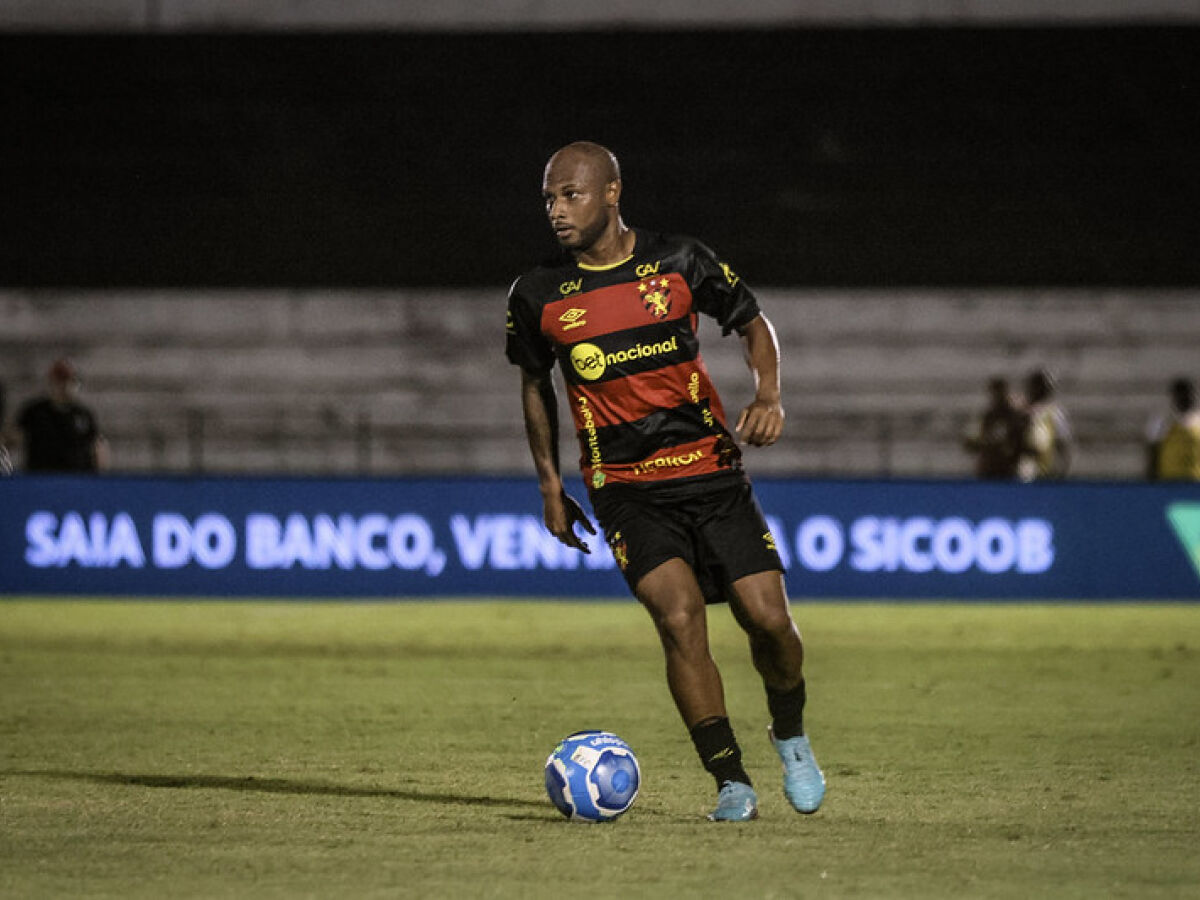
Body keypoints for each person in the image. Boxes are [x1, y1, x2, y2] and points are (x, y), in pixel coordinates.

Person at [505, 141, 824, 822]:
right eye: (549, 199)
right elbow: (535, 385)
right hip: (624, 488)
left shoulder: (679, 261)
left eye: (572, 195)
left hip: (711, 472)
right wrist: (548, 486)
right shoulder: (537, 294)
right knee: (679, 621)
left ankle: (790, 733)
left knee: (769, 624)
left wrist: (769, 394)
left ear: (612, 193)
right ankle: (731, 781)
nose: (557, 211)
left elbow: (752, 320)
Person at [14, 358, 108, 473]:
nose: (64, 386)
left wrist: (100, 474)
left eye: (69, 381)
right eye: (60, 381)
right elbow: (14, 437)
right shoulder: (34, 411)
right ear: (51, 382)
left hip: (77, 478)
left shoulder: (84, 414)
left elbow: (96, 444)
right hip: (41, 476)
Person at [962, 376, 1030, 479]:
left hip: (1008, 470)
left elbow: (1019, 444)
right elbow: (973, 442)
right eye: (995, 393)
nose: (997, 397)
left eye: (1000, 393)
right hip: (989, 470)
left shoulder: (1015, 417)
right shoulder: (988, 416)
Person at [1019, 367, 1073, 481]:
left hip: (1047, 472)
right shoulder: (1021, 413)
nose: (1034, 389)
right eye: (1033, 385)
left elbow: (1064, 444)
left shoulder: (1055, 413)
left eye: (1039, 385)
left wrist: (1062, 471)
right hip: (1023, 471)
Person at [1145, 377, 1200, 481]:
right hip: (1170, 480)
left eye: (1187, 394)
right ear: (1174, 396)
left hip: (1196, 480)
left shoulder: (1198, 420)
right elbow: (1152, 451)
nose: (1185, 398)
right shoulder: (1162, 421)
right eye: (1180, 394)